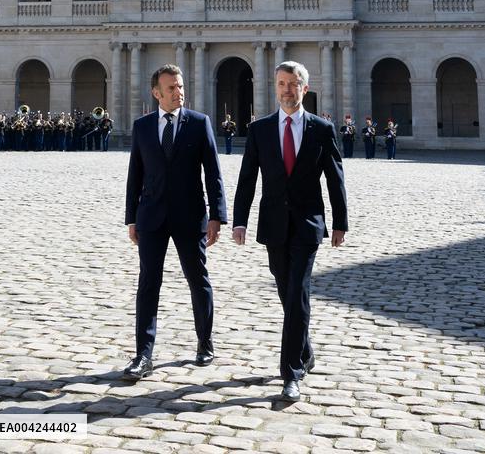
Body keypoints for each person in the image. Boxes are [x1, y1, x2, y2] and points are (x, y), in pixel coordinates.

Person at [232, 60, 348, 403]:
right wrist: (239, 220)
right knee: (287, 293)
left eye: (293, 84)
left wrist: (340, 222)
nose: (287, 90)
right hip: (273, 225)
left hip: (308, 224)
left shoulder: (321, 129)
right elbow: (247, 179)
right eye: (281, 83)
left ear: (304, 88)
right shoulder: (260, 129)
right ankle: (305, 349)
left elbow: (335, 178)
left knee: (297, 292)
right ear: (275, 87)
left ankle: (291, 373)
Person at [123, 64, 227, 381]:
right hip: (151, 217)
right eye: (171, 88)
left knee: (198, 281)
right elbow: (135, 175)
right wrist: (131, 218)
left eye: (180, 86)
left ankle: (204, 342)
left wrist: (217, 216)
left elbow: (213, 173)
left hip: (189, 216)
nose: (178, 92)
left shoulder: (199, 123)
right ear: (157, 93)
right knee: (148, 284)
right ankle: (143, 354)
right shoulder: (142, 126)